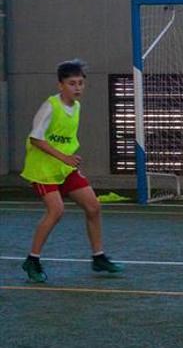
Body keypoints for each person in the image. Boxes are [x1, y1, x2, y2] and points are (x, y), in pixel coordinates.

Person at [20, 59, 124, 283]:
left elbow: (63, 139)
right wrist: (64, 157)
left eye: (80, 83)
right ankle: (32, 259)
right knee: (56, 211)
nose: (77, 88)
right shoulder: (50, 106)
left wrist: (68, 158)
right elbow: (36, 139)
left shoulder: (76, 107)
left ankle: (98, 257)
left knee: (93, 206)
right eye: (71, 83)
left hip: (64, 167)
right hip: (43, 168)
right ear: (60, 85)